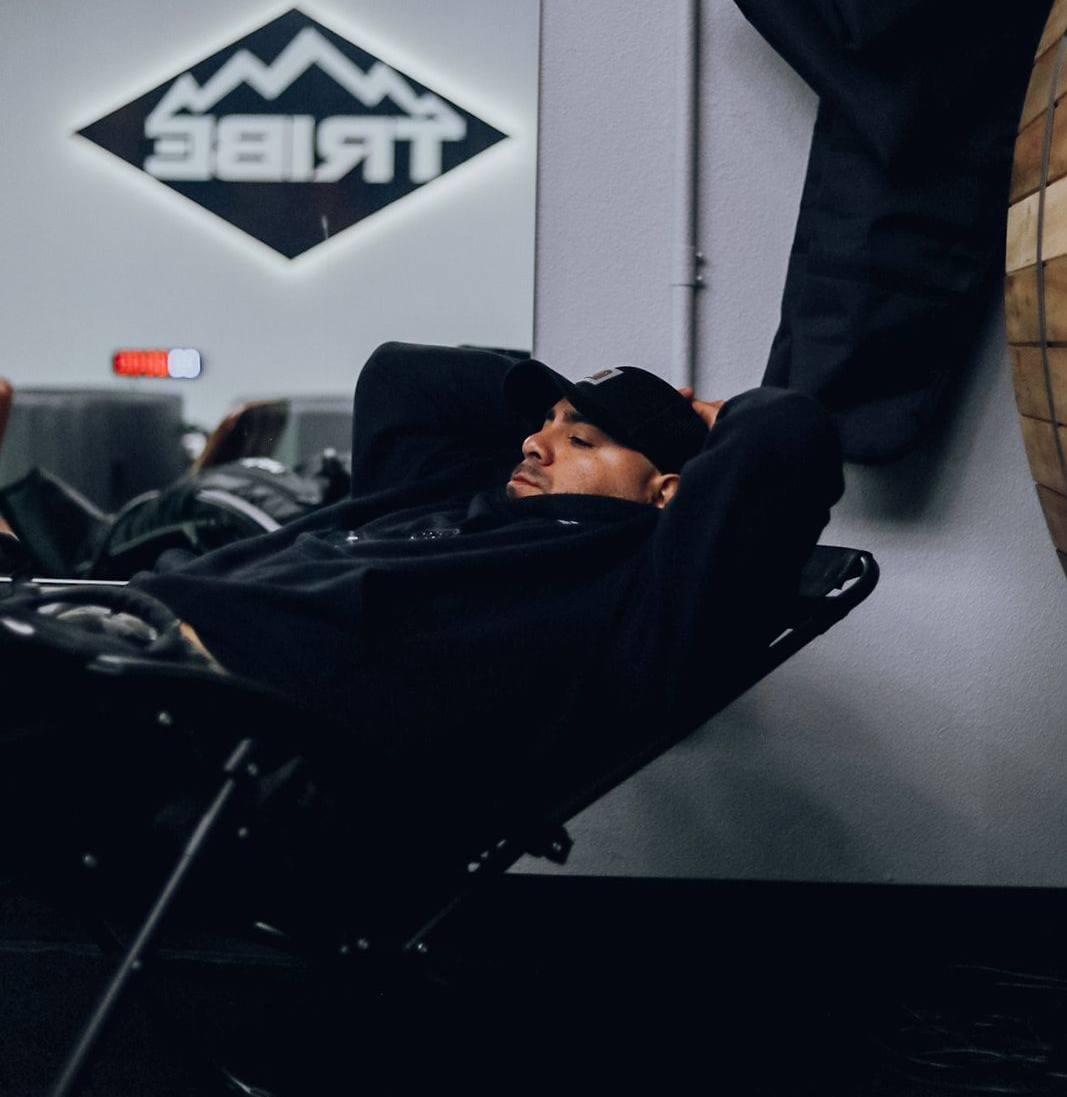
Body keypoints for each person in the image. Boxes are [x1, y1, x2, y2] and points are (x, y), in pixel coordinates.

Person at [123, 342, 843, 860]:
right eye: (543, 424)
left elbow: (787, 434)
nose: (533, 444)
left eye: (580, 438)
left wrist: (712, 418)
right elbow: (403, 374)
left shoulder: (640, 588)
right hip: (134, 650)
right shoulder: (452, 488)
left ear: (668, 493)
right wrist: (582, 399)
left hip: (227, 743)